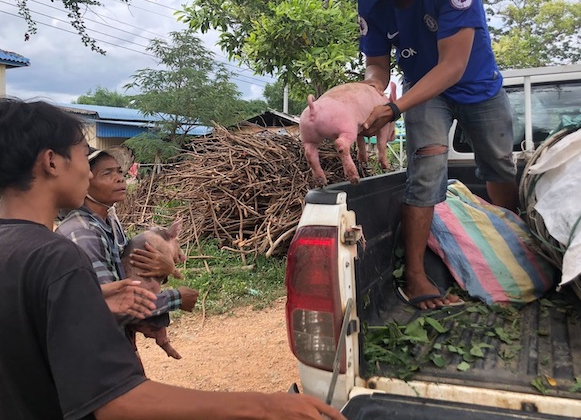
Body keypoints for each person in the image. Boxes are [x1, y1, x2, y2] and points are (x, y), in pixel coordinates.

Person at [0, 97, 345, 420]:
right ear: (51, 162)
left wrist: (92, 301)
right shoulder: (57, 256)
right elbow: (115, 401)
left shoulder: (23, 249)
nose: (89, 172)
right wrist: (268, 406)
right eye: (81, 156)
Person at [345, 0, 519, 309]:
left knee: (499, 164)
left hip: (479, 88)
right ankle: (415, 274)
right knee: (425, 171)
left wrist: (393, 110)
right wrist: (369, 94)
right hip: (424, 92)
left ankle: (516, 243)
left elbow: (453, 66)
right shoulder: (370, 1)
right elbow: (377, 66)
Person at [56, 145, 198, 353]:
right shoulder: (84, 233)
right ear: (84, 182)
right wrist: (176, 298)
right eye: (107, 173)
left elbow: (126, 272)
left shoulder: (109, 221)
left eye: (119, 172)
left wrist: (163, 269)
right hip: (95, 350)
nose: (120, 178)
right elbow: (106, 306)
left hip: (115, 341)